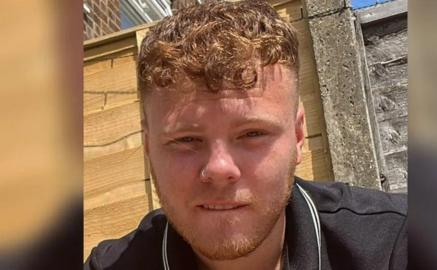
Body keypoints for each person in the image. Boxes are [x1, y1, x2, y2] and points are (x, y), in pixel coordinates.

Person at [84, 1, 407, 269]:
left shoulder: (401, 244)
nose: (220, 169)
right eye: (186, 140)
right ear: (148, 146)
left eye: (253, 133)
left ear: (297, 137)